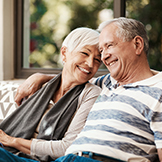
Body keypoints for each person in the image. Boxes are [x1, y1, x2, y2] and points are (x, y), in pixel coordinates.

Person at [10, 17, 162, 162]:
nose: (104, 57)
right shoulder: (106, 83)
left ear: (137, 44)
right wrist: (40, 76)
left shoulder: (158, 91)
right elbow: (74, 76)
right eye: (102, 51)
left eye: (109, 46)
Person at [0, 27, 102, 161]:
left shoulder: (91, 93)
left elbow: (67, 147)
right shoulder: (40, 87)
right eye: (84, 53)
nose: (90, 63)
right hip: (9, 152)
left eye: (97, 60)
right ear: (64, 53)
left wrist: (12, 141)